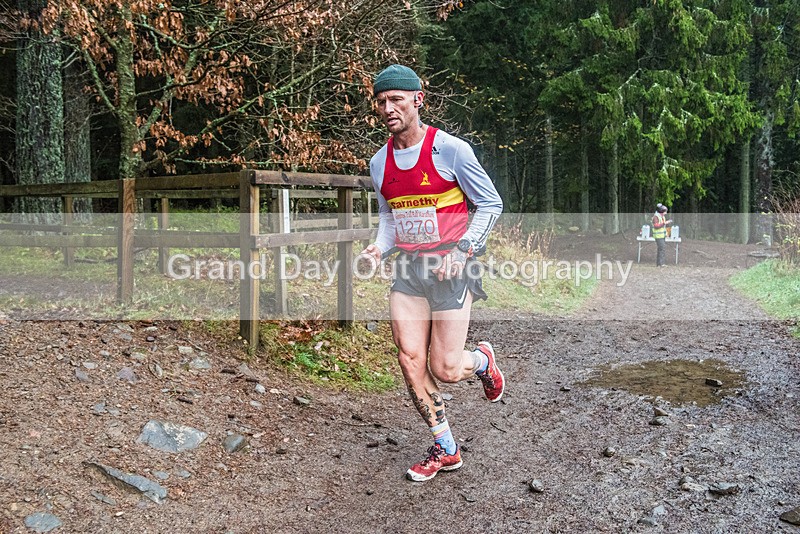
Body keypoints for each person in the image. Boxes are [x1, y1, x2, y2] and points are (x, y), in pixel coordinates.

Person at [359, 64, 505, 482]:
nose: (388, 108)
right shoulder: (378, 162)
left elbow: (490, 204)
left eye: (396, 100)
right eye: (381, 102)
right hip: (409, 270)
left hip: (451, 268)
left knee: (444, 368)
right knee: (409, 358)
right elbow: (390, 216)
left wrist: (464, 250)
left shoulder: (452, 150)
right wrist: (378, 247)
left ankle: (480, 362)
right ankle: (445, 445)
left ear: (417, 100)